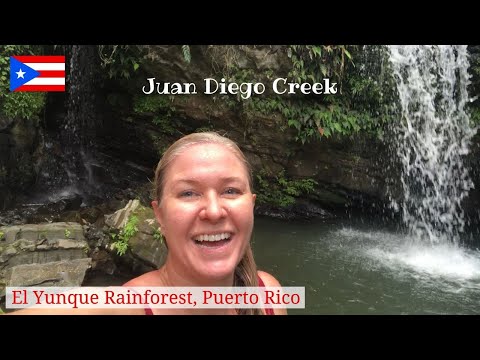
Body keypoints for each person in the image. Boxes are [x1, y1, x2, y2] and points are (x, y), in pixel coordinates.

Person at [6, 131, 286, 315]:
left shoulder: (268, 295)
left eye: (231, 191)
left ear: (251, 205)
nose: (213, 211)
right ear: (159, 216)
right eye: (188, 193)